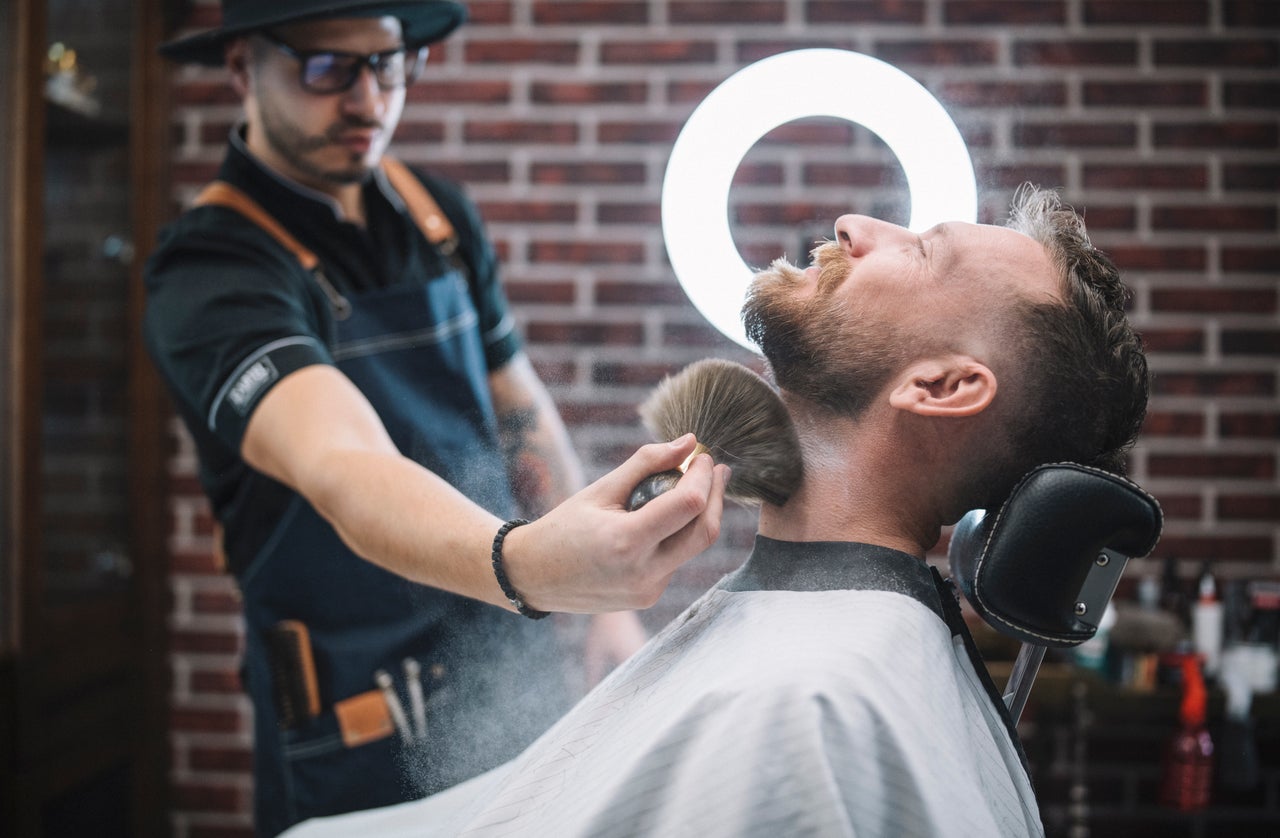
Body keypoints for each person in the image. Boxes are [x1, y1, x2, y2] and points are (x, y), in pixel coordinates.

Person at [280, 185, 1149, 837]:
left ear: (943, 387)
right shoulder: (828, 662)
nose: (853, 226)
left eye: (920, 251)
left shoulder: (813, 704)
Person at [144, 1, 728, 834]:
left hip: (508, 670)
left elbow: (519, 410)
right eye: (326, 68)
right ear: (242, 66)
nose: (369, 100)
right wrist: (528, 565)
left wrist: (607, 611)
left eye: (388, 63)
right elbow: (344, 463)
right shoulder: (211, 269)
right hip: (355, 716)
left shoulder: (440, 218)